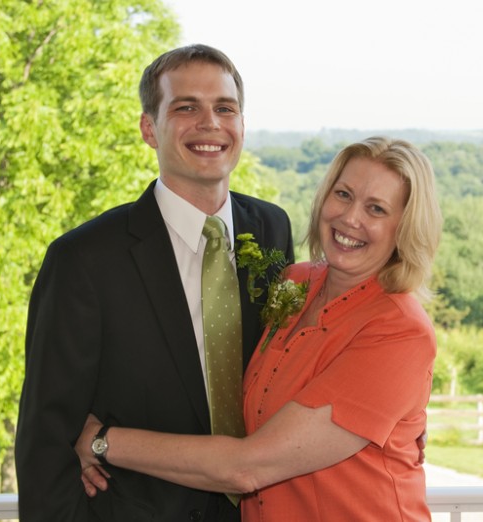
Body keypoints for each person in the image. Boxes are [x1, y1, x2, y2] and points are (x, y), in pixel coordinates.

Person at [75, 136, 443, 521]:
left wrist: (100, 442)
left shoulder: (399, 331)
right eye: (343, 194)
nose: (351, 218)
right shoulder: (294, 283)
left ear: (405, 228)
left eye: (376, 209)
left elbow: (246, 468)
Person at [15, 44, 294, 522]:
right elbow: (45, 440)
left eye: (225, 108)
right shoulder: (83, 259)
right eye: (186, 107)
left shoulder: (272, 228)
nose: (210, 124)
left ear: (242, 126)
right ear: (150, 128)